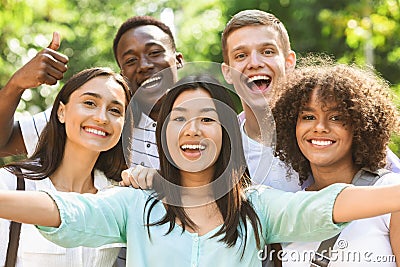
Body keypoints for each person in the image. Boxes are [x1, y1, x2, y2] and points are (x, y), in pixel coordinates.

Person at [2, 75, 400, 267]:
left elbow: (328, 207)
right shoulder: (135, 205)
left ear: (227, 134)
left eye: (207, 119)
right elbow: (64, 210)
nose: (192, 130)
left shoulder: (259, 208)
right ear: (164, 136)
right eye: (179, 119)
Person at [220, 9, 400, 189]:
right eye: (241, 55)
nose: (254, 63)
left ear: (289, 62)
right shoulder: (222, 148)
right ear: (227, 72)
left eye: (267, 51)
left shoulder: (327, 133)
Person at [271, 62, 400, 266]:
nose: (320, 127)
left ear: (360, 125)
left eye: (336, 117)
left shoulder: (391, 193)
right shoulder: (289, 209)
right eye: (308, 117)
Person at [0, 67, 131, 267]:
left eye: (115, 110)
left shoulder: (119, 196)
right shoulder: (11, 183)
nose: (102, 118)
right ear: (62, 112)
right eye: (89, 103)